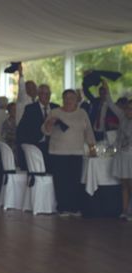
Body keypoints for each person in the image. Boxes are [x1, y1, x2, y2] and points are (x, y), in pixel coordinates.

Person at [42, 89, 96, 217]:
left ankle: (74, 207)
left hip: (77, 151)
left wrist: (92, 148)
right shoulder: (55, 112)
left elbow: (88, 131)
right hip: (58, 152)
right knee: (61, 181)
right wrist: (50, 123)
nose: (69, 100)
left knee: (75, 181)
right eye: (66, 97)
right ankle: (62, 207)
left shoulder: (82, 113)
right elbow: (45, 130)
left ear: (77, 99)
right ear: (63, 99)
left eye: (72, 97)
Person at [102, 81, 132, 219]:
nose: (128, 111)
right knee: (124, 185)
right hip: (121, 155)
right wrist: (107, 89)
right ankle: (125, 211)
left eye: (131, 109)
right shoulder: (122, 116)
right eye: (127, 108)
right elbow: (111, 103)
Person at [16, 84, 58, 169]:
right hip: (37, 144)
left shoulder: (56, 108)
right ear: (38, 94)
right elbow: (22, 129)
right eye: (43, 93)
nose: (46, 96)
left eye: (48, 94)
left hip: (55, 145)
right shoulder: (31, 109)